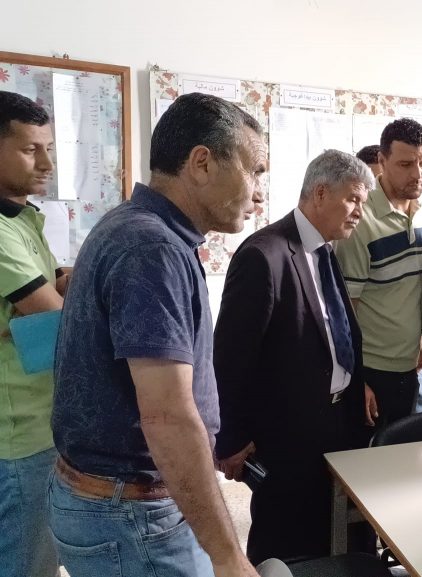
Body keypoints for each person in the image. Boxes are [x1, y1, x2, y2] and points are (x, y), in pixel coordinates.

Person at [49, 93, 266, 577]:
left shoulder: (133, 225)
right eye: (254, 171)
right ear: (202, 163)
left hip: (111, 501)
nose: (258, 192)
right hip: (131, 514)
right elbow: (168, 417)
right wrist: (228, 555)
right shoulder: (152, 247)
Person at [214, 150, 373, 564]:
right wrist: (230, 439)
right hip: (286, 434)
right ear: (320, 193)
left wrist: (354, 383)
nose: (360, 212)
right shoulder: (263, 255)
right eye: (354, 199)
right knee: (284, 543)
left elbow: (334, 333)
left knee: (333, 533)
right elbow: (230, 357)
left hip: (338, 420)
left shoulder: (325, 251)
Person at [0, 90, 65, 577]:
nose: (46, 163)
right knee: (28, 564)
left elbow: (51, 294)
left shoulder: (23, 217)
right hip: (19, 430)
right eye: (30, 149)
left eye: (49, 148)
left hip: (40, 419)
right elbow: (59, 321)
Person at [335, 118, 422, 430]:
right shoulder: (360, 222)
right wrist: (356, 378)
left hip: (412, 365)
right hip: (372, 371)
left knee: (406, 453)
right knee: (369, 456)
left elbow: (415, 289)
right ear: (382, 160)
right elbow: (344, 310)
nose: (417, 174)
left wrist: (421, 342)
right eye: (405, 164)